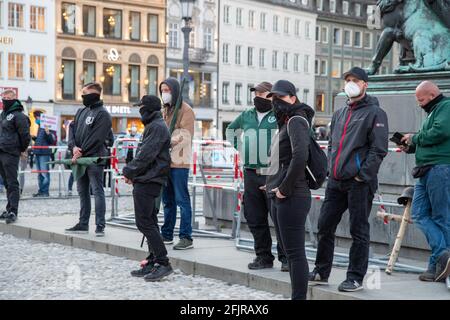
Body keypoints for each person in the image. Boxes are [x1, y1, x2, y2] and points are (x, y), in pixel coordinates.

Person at [309, 67, 389, 292]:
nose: (350, 84)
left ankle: (354, 277)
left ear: (365, 84)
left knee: (358, 230)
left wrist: (361, 175)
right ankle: (321, 271)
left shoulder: (375, 113)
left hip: (359, 183)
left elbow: (379, 149)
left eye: (354, 80)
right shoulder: (340, 112)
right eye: (347, 80)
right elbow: (333, 143)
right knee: (324, 225)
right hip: (336, 181)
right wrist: (330, 169)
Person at [226, 82, 288, 272]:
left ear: (272, 95)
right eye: (256, 93)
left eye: (262, 93)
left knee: (279, 217)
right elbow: (230, 130)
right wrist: (242, 148)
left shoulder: (279, 115)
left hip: (273, 172)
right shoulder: (247, 115)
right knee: (254, 216)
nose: (258, 96)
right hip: (251, 172)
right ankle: (263, 256)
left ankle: (286, 258)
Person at [264, 80, 315, 300]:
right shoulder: (285, 122)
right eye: (274, 98)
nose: (276, 102)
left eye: (281, 97)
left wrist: (283, 188)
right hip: (282, 193)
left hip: (293, 195)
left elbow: (300, 156)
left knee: (295, 253)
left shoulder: (296, 120)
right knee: (289, 250)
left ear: (293, 98)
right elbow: (283, 160)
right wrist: (271, 183)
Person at [399, 81, 450, 282]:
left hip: (440, 168)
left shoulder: (446, 107)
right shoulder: (434, 111)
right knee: (419, 214)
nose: (419, 104)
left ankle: (436, 265)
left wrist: (415, 138)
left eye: (421, 100)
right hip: (426, 169)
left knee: (441, 217)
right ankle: (442, 257)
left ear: (431, 95)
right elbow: (431, 139)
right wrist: (410, 146)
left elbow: (440, 133)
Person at [124, 95, 173, 281]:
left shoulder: (157, 127)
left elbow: (146, 155)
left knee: (144, 222)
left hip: (149, 179)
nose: (140, 112)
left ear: (148, 109)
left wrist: (129, 171)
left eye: (141, 108)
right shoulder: (155, 125)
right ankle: (154, 260)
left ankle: (163, 262)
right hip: (147, 178)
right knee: (150, 222)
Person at [65, 82, 112, 236]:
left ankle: (100, 225)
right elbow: (72, 131)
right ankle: (83, 223)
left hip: (94, 159)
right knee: (82, 191)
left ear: (94, 94)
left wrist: (81, 151)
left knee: (97, 190)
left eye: (85, 93)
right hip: (79, 158)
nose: (82, 96)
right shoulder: (81, 111)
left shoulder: (103, 114)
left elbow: (97, 138)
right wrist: (73, 148)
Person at [160, 78, 195, 250]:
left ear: (174, 91)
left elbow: (185, 135)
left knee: (182, 200)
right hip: (165, 161)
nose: (164, 93)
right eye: (162, 90)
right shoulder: (165, 110)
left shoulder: (186, 110)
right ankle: (166, 233)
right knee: (167, 200)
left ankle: (186, 236)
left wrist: (166, 141)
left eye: (167, 90)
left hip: (180, 161)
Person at [0, 89, 31, 224]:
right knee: (7, 182)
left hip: (11, 152)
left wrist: (22, 149)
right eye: (3, 98)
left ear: (13, 98)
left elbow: (25, 135)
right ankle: (8, 208)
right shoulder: (3, 115)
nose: (4, 100)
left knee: (12, 182)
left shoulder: (19, 116)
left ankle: (13, 210)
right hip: (1, 151)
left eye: (7, 98)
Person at [32, 110, 57, 197]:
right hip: (38, 152)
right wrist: (35, 139)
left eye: (37, 117)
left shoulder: (49, 126)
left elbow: (52, 140)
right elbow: (42, 140)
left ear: (41, 117)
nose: (36, 119)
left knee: (44, 173)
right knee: (40, 173)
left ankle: (45, 191)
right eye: (35, 118)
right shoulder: (39, 127)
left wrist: (48, 133)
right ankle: (41, 191)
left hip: (44, 153)